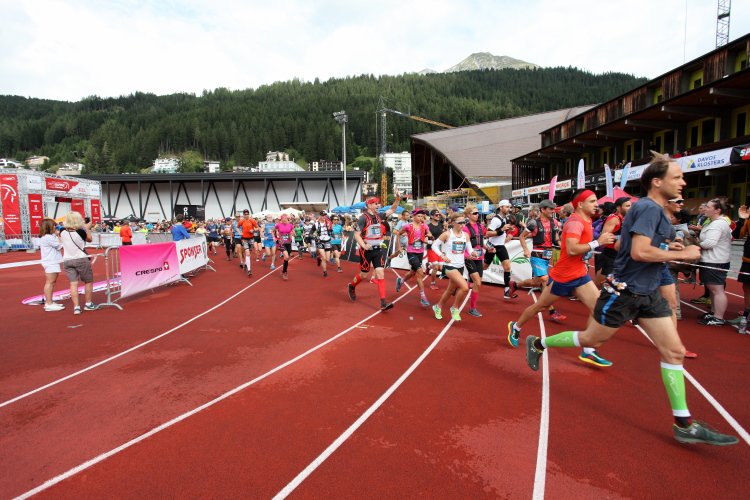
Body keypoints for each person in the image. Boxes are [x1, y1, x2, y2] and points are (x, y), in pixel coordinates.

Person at [523, 152, 739, 446]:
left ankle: (684, 424)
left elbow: (628, 244)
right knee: (590, 339)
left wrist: (667, 245)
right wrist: (682, 252)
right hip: (625, 291)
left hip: (648, 292)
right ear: (657, 181)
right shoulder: (648, 208)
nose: (683, 183)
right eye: (677, 177)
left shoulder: (651, 210)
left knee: (674, 352)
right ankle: (538, 343)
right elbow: (639, 252)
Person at [508, 189, 615, 367]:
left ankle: (588, 349)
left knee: (598, 308)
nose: (597, 204)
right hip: (563, 275)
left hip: (579, 273)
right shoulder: (575, 222)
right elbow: (572, 250)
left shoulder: (586, 220)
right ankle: (516, 327)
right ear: (580, 204)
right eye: (592, 201)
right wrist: (598, 242)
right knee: (540, 306)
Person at [511, 200, 566, 323]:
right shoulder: (533, 223)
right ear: (542, 209)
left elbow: (556, 239)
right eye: (550, 209)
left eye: (553, 209)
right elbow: (522, 236)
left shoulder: (554, 222)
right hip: (537, 256)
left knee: (536, 283)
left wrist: (563, 247)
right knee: (545, 280)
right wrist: (526, 249)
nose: (553, 211)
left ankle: (515, 285)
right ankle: (552, 311)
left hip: (547, 256)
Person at [348, 190, 402, 311]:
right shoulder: (363, 218)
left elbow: (392, 209)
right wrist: (363, 245)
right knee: (364, 274)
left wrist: (398, 198)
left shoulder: (379, 216)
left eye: (378, 204)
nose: (378, 205)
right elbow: (356, 235)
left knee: (380, 273)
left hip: (378, 250)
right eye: (376, 203)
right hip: (366, 251)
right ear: (369, 205)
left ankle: (383, 302)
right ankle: (352, 286)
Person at [696, 198, 733, 326]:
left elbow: (710, 243)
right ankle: (714, 312)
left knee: (717, 289)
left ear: (717, 210)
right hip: (711, 260)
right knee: (712, 289)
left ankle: (718, 317)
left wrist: (695, 246)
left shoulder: (718, 224)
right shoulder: (712, 223)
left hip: (715, 261)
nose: (705, 209)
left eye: (708, 207)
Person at [430, 212, 471, 321]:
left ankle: (438, 307)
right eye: (460, 223)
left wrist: (473, 254)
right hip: (449, 266)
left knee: (450, 290)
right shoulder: (447, 234)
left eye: (464, 222)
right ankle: (455, 308)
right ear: (453, 223)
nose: (463, 225)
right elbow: (434, 246)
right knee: (465, 288)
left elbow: (470, 250)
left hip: (460, 266)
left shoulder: (465, 235)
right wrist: (443, 256)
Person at [60, 212, 100, 314]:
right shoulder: (80, 232)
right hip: (80, 259)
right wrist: (87, 228)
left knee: (73, 284)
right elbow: (89, 239)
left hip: (67, 259)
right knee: (88, 281)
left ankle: (76, 307)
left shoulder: (62, 231)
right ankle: (88, 304)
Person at [395, 209, 430, 307]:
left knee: (413, 272)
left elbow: (429, 233)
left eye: (422, 216)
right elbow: (398, 233)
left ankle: (401, 281)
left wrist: (429, 236)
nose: (420, 218)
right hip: (411, 252)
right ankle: (423, 297)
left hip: (420, 252)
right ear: (413, 216)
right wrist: (399, 247)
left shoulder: (424, 226)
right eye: (419, 216)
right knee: (420, 272)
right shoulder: (408, 226)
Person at [594, 196, 632, 288]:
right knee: (602, 282)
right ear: (618, 207)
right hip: (610, 254)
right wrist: (620, 237)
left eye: (631, 205)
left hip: (621, 254)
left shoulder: (626, 219)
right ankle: (595, 294)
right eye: (627, 206)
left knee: (619, 282)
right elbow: (604, 236)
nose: (630, 208)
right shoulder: (614, 218)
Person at [484, 200, 517, 299]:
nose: (509, 209)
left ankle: (507, 291)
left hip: (501, 246)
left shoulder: (506, 218)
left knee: (507, 267)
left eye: (509, 207)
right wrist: (502, 229)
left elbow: (502, 231)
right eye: (507, 207)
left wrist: (508, 229)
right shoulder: (496, 220)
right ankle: (471, 275)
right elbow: (488, 234)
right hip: (492, 246)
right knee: (484, 267)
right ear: (501, 207)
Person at [462, 204, 487, 317]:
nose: (477, 215)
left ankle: (458, 285)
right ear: (468, 215)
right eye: (475, 213)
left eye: (478, 213)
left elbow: (480, 241)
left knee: (478, 283)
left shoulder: (481, 226)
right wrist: (467, 255)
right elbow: (462, 243)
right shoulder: (465, 228)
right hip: (469, 257)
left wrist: (488, 248)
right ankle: (472, 308)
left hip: (479, 256)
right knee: (477, 282)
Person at [39, 218, 65, 311]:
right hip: (51, 262)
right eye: (54, 225)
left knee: (51, 282)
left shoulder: (47, 237)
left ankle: (49, 302)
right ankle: (49, 303)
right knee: (50, 282)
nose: (55, 227)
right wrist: (59, 236)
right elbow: (61, 245)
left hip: (52, 261)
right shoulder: (48, 237)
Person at [425, 209, 446, 290]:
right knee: (436, 268)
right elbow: (424, 238)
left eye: (439, 215)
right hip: (431, 248)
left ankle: (429, 266)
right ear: (431, 216)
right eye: (436, 215)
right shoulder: (428, 226)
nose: (438, 216)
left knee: (441, 268)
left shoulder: (441, 225)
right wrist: (430, 241)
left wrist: (446, 230)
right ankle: (432, 283)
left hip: (440, 248)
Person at [237, 210, 259, 277]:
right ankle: (249, 270)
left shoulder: (252, 221)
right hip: (244, 239)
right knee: (248, 253)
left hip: (251, 239)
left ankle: (246, 263)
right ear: (243, 215)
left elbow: (257, 228)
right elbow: (237, 227)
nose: (246, 215)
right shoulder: (241, 221)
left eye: (247, 214)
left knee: (249, 253)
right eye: (245, 214)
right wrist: (239, 233)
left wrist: (253, 230)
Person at [273, 214, 295, 280]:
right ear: (281, 219)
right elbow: (272, 231)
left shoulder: (290, 225)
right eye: (283, 219)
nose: (285, 220)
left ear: (287, 219)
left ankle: (284, 270)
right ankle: (285, 272)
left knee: (286, 258)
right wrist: (274, 238)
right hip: (282, 242)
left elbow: (293, 232)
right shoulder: (278, 225)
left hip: (288, 243)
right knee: (287, 256)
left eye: (286, 219)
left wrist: (292, 234)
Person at [313, 210, 333, 279]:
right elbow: (311, 233)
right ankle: (325, 273)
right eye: (322, 215)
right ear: (320, 216)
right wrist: (316, 236)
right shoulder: (316, 224)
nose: (324, 217)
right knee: (324, 258)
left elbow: (331, 231)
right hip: (320, 242)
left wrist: (332, 235)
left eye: (325, 215)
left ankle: (319, 258)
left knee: (327, 260)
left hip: (327, 241)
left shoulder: (329, 223)